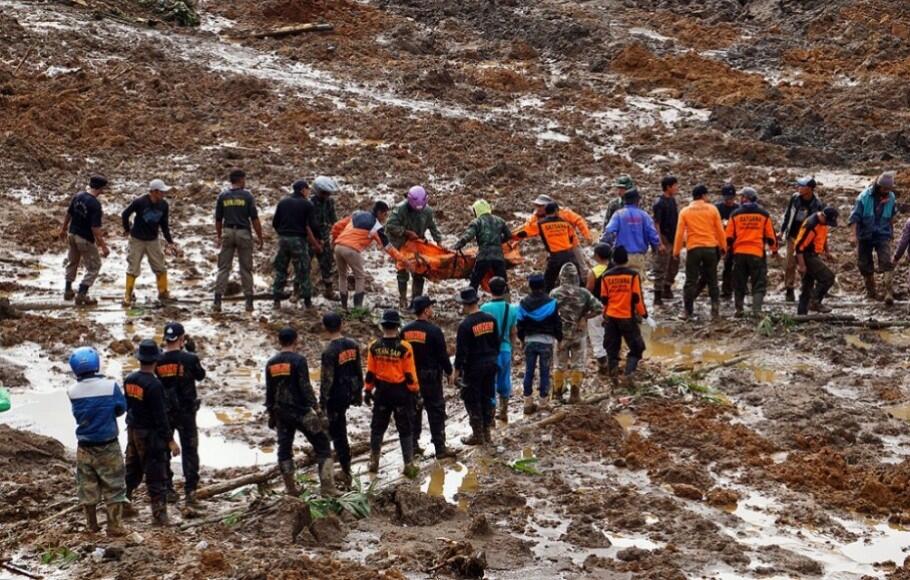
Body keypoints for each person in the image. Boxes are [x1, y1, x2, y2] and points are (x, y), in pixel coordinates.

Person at [265, 327, 336, 496]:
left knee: (284, 449)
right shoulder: (298, 361)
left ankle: (291, 489)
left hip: (281, 413)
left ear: (279, 341)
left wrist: (271, 413)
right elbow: (306, 387)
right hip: (302, 412)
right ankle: (327, 488)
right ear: (296, 340)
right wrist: (318, 409)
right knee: (323, 444)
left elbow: (269, 391)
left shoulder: (271, 363)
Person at [67, 347, 129, 537]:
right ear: (96, 364)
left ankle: (92, 525)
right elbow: (121, 408)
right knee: (114, 484)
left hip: (84, 446)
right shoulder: (110, 387)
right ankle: (114, 525)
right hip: (108, 444)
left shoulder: (72, 391)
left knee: (87, 486)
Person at [124, 339, 180, 526]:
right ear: (156, 360)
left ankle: (123, 504)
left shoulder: (130, 380)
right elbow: (160, 417)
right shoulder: (154, 386)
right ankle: (160, 516)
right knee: (156, 474)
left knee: (132, 469)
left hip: (133, 431)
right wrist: (171, 441)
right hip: (150, 435)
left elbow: (128, 406)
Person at [156, 322, 206, 509]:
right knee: (190, 451)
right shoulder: (189, 359)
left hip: (165, 412)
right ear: (182, 339)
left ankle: (168, 489)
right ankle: (190, 492)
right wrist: (193, 352)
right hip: (187, 412)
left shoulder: (158, 361)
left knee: (163, 451)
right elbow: (200, 376)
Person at [365, 310, 419, 477]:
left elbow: (370, 372)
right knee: (405, 427)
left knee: (377, 426)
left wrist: (367, 390)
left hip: (382, 392)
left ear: (382, 326)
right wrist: (415, 391)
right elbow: (410, 373)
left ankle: (374, 461)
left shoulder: (374, 346)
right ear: (397, 326)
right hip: (401, 392)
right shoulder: (405, 347)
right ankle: (408, 464)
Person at [401, 296, 457, 459]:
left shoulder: (405, 331)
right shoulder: (434, 331)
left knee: (413, 411)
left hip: (411, 379)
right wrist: (449, 371)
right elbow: (442, 355)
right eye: (430, 307)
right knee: (436, 411)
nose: (432, 310)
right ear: (425, 310)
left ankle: (413, 446)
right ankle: (440, 448)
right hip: (431, 379)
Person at [319, 313, 364, 489]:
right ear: (342, 325)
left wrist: (322, 403)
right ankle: (345, 469)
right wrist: (358, 393)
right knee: (340, 432)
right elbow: (358, 371)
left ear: (325, 327)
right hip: (348, 393)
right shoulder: (352, 345)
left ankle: (341, 473)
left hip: (335, 397)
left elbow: (326, 380)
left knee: (335, 436)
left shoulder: (329, 351)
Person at [331, 201, 404, 310]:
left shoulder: (357, 214)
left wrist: (334, 241)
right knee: (360, 277)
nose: (385, 218)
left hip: (339, 246)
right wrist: (402, 260)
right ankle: (358, 308)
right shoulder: (377, 226)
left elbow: (337, 226)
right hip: (351, 249)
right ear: (379, 213)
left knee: (342, 276)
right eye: (385, 214)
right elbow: (388, 246)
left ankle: (344, 307)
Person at [453, 287, 500, 446]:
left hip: (473, 368)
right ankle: (487, 432)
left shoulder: (465, 325)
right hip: (491, 363)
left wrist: (456, 372)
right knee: (488, 396)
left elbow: (461, 352)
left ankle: (478, 434)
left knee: (472, 399)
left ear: (465, 305)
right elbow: (496, 342)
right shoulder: (491, 319)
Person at [673, 184, 727, 320]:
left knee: (690, 281)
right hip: (710, 248)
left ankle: (687, 311)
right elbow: (720, 230)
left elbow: (679, 234)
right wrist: (723, 247)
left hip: (694, 249)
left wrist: (676, 251)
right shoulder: (712, 209)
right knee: (713, 280)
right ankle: (715, 311)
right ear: (703, 196)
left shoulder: (685, 211)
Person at [385, 186, 444, 310]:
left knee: (419, 271)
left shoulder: (427, 211)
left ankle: (416, 301)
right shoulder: (400, 209)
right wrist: (406, 232)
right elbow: (390, 226)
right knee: (402, 271)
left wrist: (439, 242)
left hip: (417, 243)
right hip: (400, 242)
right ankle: (403, 299)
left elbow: (433, 227)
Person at [214, 169, 264, 313]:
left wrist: (219, 236)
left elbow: (218, 219)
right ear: (241, 180)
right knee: (246, 269)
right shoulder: (248, 196)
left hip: (228, 232)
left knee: (223, 268)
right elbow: (254, 219)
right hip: (243, 233)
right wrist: (260, 237)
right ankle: (249, 302)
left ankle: (217, 301)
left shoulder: (223, 196)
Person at [550, 262, 600, 404]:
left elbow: (549, 312)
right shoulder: (584, 293)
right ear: (576, 277)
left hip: (561, 335)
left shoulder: (554, 293)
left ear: (562, 277)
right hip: (579, 334)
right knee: (578, 364)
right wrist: (584, 317)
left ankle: (557, 395)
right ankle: (575, 395)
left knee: (559, 365)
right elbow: (599, 308)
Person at [121, 179, 177, 307]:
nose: (164, 194)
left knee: (160, 266)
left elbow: (164, 225)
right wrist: (127, 229)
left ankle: (163, 293)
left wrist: (170, 242)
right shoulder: (140, 202)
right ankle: (128, 295)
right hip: (137, 239)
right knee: (133, 267)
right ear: (154, 192)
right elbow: (125, 214)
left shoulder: (164, 205)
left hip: (153, 240)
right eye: (162, 192)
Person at [724, 188, 778, 317]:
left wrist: (725, 251)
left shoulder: (735, 214)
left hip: (739, 253)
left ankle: (739, 310)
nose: (740, 199)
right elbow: (771, 236)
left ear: (745, 198)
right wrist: (774, 251)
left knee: (739, 283)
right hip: (756, 253)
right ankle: (756, 310)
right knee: (759, 283)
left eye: (742, 196)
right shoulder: (764, 214)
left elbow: (729, 237)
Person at [271, 179, 323, 309]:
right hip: (298, 240)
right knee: (303, 270)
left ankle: (276, 300)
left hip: (283, 239)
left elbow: (275, 222)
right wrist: (319, 239)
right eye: (307, 189)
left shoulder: (283, 202)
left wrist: (282, 233)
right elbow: (313, 224)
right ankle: (307, 301)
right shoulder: (307, 205)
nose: (309, 192)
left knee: (281, 269)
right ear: (302, 190)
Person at [517, 273, 563, 414]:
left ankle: (527, 402)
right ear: (543, 285)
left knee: (529, 372)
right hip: (547, 342)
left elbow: (520, 324)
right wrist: (559, 339)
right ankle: (543, 403)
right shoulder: (552, 302)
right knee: (544, 372)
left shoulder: (523, 303)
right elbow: (557, 323)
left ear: (530, 286)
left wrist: (522, 340)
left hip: (530, 341)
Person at [598, 246, 648, 380]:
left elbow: (604, 299)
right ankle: (628, 374)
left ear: (613, 260)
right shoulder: (632, 275)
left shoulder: (606, 276)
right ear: (626, 260)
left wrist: (604, 316)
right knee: (637, 347)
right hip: (627, 317)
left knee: (612, 349)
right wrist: (644, 315)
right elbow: (637, 298)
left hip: (611, 317)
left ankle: (613, 376)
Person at [60, 175, 111, 306]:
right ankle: (82, 293)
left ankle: (68, 290)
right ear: (100, 188)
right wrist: (103, 246)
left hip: (72, 234)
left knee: (72, 262)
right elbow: (95, 228)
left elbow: (69, 213)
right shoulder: (95, 205)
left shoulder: (78, 196)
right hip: (84, 238)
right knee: (94, 266)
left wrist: (63, 229)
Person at [850, 172, 898, 305]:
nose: (886, 192)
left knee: (886, 261)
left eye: (889, 190)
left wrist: (891, 232)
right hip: (865, 234)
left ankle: (888, 292)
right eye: (884, 189)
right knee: (864, 264)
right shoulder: (864, 197)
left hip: (882, 234)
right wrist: (853, 235)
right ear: (878, 186)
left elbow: (891, 216)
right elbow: (854, 218)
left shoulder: (891, 197)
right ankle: (871, 292)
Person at [522, 194, 595, 279]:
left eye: (540, 206)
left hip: (571, 244)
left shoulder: (564, 213)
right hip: (555, 248)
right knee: (555, 270)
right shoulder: (537, 216)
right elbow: (527, 229)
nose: (538, 208)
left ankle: (585, 283)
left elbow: (579, 220)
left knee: (581, 266)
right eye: (536, 206)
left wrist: (587, 236)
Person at [514, 202, 580, 292]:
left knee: (548, 283)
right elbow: (572, 237)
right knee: (576, 280)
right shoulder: (565, 222)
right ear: (556, 211)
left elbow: (525, 232)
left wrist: (511, 236)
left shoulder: (540, 224)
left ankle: (546, 300)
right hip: (570, 255)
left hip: (555, 257)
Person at [480, 277, 519, 422]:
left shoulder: (484, 308)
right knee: (505, 380)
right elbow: (513, 332)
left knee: (490, 382)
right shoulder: (512, 309)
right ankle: (504, 411)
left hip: (490, 351)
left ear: (489, 289)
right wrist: (512, 349)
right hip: (506, 349)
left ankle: (490, 414)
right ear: (504, 290)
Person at [780, 177, 823, 302]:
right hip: (793, 236)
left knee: (806, 265)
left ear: (809, 189)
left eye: (801, 186)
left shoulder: (817, 204)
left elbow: (819, 226)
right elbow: (788, 215)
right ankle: (789, 289)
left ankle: (806, 290)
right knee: (790, 264)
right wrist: (782, 231)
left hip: (806, 239)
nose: (798, 188)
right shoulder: (794, 198)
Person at [453, 199, 513, 289]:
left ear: (476, 211)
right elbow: (509, 235)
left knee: (474, 281)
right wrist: (498, 242)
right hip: (498, 257)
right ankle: (506, 302)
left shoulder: (477, 222)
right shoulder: (500, 221)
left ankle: (470, 300)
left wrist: (458, 246)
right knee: (503, 283)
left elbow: (468, 235)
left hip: (483, 256)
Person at [601, 188, 663, 273]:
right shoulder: (644, 215)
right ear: (637, 200)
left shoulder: (619, 214)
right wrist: (657, 246)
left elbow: (609, 232)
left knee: (622, 282)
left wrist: (605, 248)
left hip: (621, 257)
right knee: (636, 282)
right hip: (638, 256)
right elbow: (652, 233)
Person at [795, 207, 839, 315]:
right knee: (828, 277)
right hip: (806, 256)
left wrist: (827, 252)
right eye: (827, 221)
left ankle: (801, 315)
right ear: (823, 215)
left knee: (807, 286)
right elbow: (799, 247)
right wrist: (801, 265)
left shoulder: (822, 223)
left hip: (813, 254)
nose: (828, 224)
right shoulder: (811, 225)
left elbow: (823, 238)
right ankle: (814, 302)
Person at [310, 176, 341, 300]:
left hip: (324, 236)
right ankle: (299, 291)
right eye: (324, 193)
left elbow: (333, 220)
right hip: (311, 237)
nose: (326, 195)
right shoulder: (310, 203)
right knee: (304, 264)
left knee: (326, 263)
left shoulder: (329, 203)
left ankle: (329, 291)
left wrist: (337, 235)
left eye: (328, 193)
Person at [652, 176, 680, 305]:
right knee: (661, 266)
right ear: (668, 187)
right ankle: (657, 295)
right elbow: (656, 223)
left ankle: (667, 288)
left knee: (674, 264)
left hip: (674, 237)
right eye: (675, 186)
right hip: (664, 237)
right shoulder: (659, 203)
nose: (677, 188)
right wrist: (660, 242)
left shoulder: (672, 200)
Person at [586, 243, 612, 373]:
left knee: (596, 334)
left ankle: (602, 361)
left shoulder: (594, 272)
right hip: (614, 307)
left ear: (597, 256)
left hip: (598, 306)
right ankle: (613, 359)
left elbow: (588, 291)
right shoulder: (615, 269)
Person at [715, 183, 740, 300]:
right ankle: (713, 290)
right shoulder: (717, 208)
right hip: (717, 240)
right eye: (726, 199)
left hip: (732, 242)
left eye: (731, 198)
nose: (729, 201)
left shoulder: (738, 209)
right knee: (710, 266)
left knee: (730, 267)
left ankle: (727, 290)